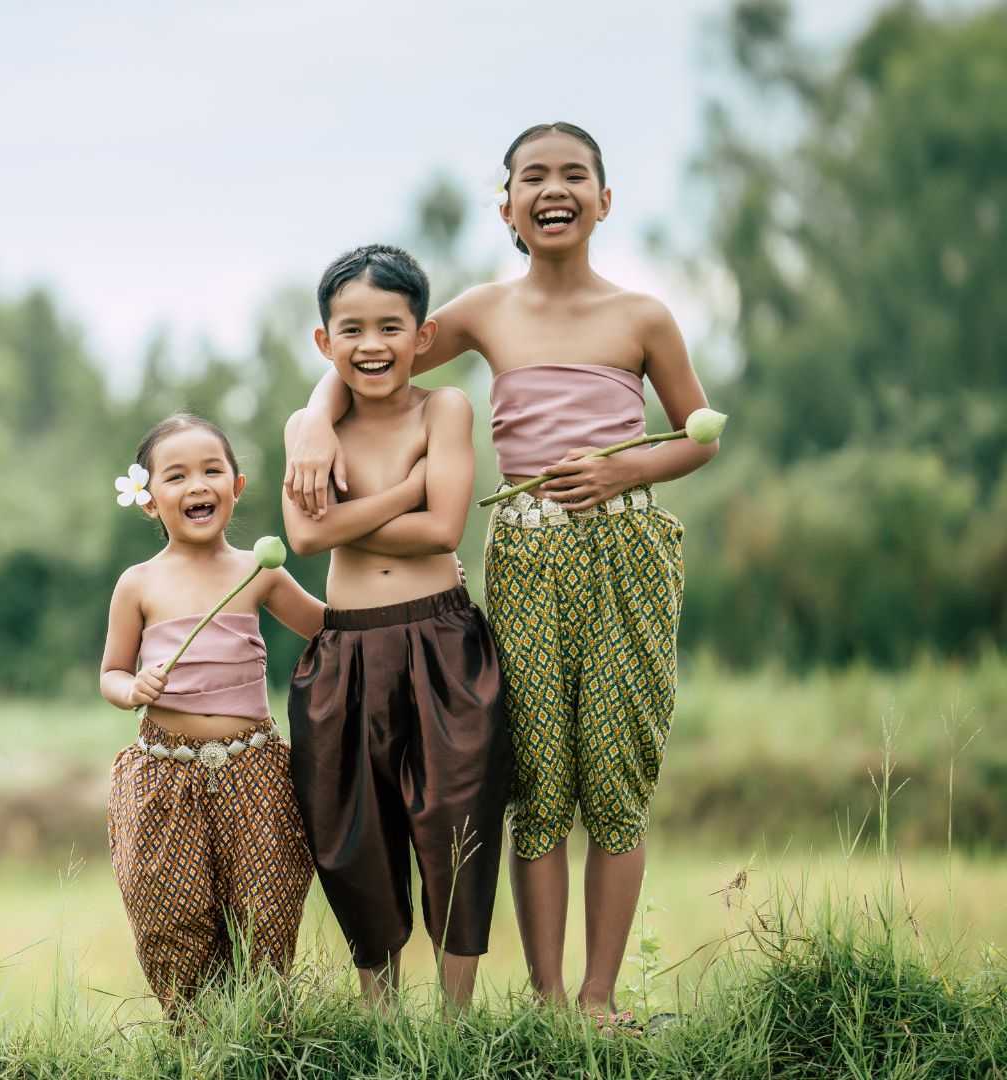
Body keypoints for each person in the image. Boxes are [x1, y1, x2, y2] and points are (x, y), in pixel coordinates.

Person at [283, 123, 719, 1027]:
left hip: (625, 551)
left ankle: (599, 996)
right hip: (523, 555)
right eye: (533, 177)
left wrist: (623, 470)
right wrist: (308, 425)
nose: (552, 188)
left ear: (605, 199)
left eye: (573, 176)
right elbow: (376, 352)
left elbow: (697, 433)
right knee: (538, 781)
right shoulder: (485, 310)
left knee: (617, 775)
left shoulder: (643, 316)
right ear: (507, 206)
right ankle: (549, 997)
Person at [280, 244, 511, 1012]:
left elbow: (443, 529)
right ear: (324, 342)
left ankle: (454, 1021)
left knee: (457, 822)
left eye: (390, 326)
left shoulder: (443, 408)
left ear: (422, 335)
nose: (370, 345)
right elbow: (304, 539)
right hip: (345, 647)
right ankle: (379, 1019)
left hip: (441, 643)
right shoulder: (308, 429)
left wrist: (354, 516)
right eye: (351, 329)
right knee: (354, 834)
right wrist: (400, 492)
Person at [99, 413, 323, 1014]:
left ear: (236, 486)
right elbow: (111, 673)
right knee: (170, 910)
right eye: (176, 476)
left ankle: (261, 1034)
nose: (197, 485)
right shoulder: (138, 583)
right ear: (149, 500)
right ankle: (197, 1036)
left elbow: (327, 628)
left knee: (267, 902)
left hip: (253, 774)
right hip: (165, 775)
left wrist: (411, 584)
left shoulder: (259, 569)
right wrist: (133, 689)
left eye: (211, 470)